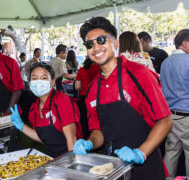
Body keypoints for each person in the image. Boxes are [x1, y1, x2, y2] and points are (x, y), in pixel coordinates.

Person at [73, 17, 172, 179]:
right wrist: (90, 142)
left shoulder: (139, 74)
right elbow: (98, 130)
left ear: (115, 43)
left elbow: (165, 120)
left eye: (101, 40)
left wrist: (140, 152)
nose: (96, 47)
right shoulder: (92, 89)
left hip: (146, 161)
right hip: (114, 166)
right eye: (90, 44)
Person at [10, 63, 82, 158]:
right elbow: (43, 138)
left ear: (52, 82)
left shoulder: (61, 100)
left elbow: (71, 138)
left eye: (44, 78)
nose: (38, 82)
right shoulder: (33, 108)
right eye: (34, 78)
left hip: (69, 156)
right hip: (50, 158)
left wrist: (71, 165)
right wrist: (21, 126)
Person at [161, 29, 189, 179]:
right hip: (186, 116)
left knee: (171, 151)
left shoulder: (165, 63)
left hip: (169, 116)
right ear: (184, 43)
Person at [75, 57, 100, 139]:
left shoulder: (81, 70)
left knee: (84, 121)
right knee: (97, 121)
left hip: (84, 99)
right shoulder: (100, 68)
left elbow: (77, 86)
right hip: (97, 98)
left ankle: (86, 140)